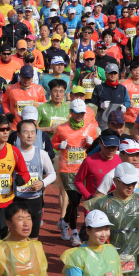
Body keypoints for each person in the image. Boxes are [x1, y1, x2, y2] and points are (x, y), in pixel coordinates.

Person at [51, 99, 100, 245]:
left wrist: (92, 143)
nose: (80, 115)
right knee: (73, 200)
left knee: (76, 201)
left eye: (82, 113)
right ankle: (74, 233)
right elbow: (53, 143)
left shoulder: (90, 128)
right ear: (71, 112)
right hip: (66, 168)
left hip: (82, 169)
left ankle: (64, 222)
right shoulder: (61, 128)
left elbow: (96, 148)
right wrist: (59, 145)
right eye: (77, 113)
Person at [12, 119, 56, 240]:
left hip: (35, 201)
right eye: (26, 132)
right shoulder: (12, 153)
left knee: (33, 237)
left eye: (33, 132)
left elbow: (52, 174)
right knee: (17, 235)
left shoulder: (42, 154)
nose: (30, 135)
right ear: (18, 134)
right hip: (17, 200)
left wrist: (42, 183)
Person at [90, 63, 131, 129]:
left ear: (118, 74)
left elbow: (128, 101)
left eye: (115, 73)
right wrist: (100, 105)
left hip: (118, 123)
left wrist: (125, 106)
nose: (113, 75)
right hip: (103, 124)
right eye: (110, 73)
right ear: (106, 74)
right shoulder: (99, 88)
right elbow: (92, 105)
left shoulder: (122, 88)